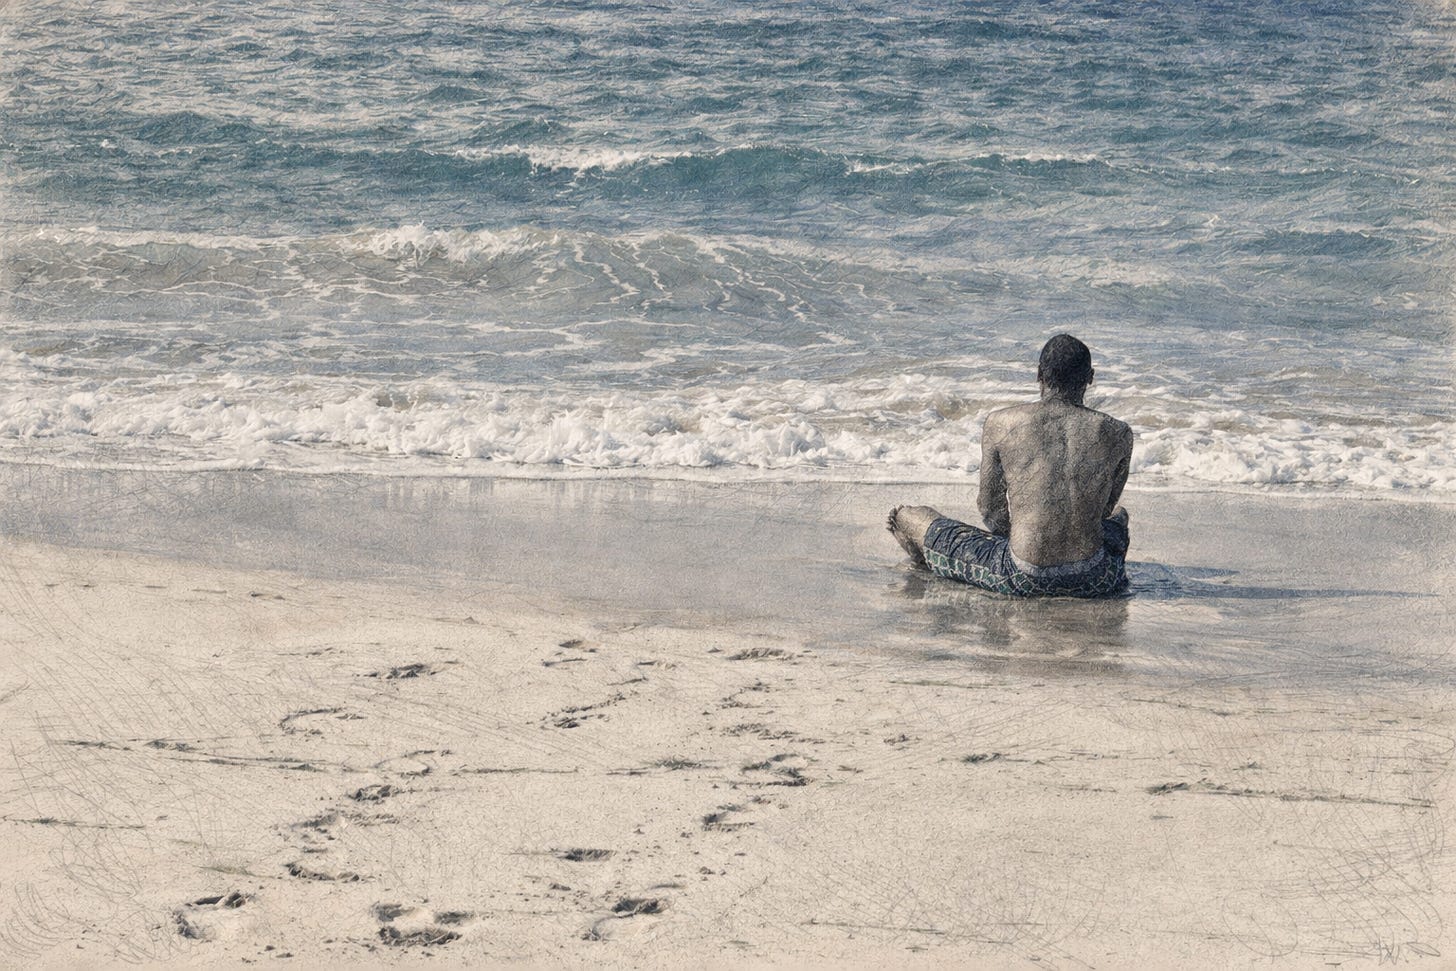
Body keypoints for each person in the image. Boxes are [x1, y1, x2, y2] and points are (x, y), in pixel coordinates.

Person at [888, 334, 1133, 597]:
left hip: (1021, 575)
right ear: (1090, 377)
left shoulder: (1001, 423)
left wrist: (1023, 539)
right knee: (1120, 516)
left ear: (1039, 375)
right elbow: (1105, 509)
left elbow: (990, 508)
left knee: (910, 516)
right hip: (1098, 577)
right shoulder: (1118, 432)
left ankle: (923, 556)